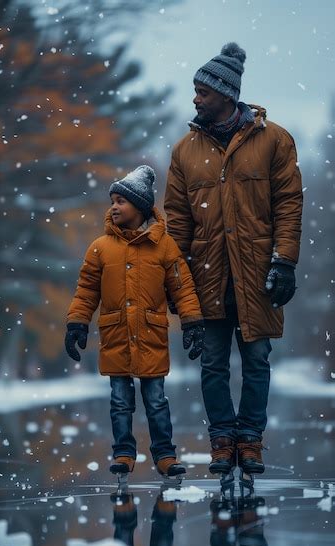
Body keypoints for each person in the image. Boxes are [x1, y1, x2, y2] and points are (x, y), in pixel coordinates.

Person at [164, 42, 303, 486]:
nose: (196, 98)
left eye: (203, 91)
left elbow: (288, 205)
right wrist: (175, 280)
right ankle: (222, 440)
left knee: (258, 359)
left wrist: (284, 261)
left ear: (227, 93)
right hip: (208, 274)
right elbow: (178, 222)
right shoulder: (185, 151)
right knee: (213, 364)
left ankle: (251, 440)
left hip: (258, 272)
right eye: (195, 90)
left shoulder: (274, 140)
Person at [65, 165, 205, 481]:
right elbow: (86, 290)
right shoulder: (100, 248)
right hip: (115, 335)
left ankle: (165, 454)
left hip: (151, 334)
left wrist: (192, 322)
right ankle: (124, 453)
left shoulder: (164, 246)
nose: (114, 206)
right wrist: (77, 323)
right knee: (119, 401)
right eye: (112, 200)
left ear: (140, 207)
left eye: (121, 201)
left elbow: (182, 288)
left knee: (156, 401)